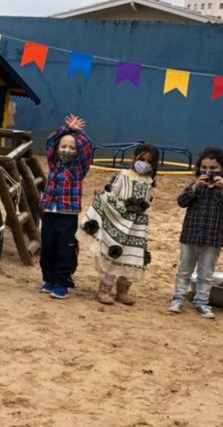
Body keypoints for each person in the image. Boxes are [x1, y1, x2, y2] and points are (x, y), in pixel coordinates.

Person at [79, 143, 160, 305]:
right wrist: (103, 194)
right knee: (115, 253)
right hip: (120, 221)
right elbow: (112, 193)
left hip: (138, 225)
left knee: (132, 255)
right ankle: (104, 289)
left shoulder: (150, 181)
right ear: (134, 158)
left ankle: (122, 291)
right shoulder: (123, 174)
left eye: (149, 162)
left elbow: (148, 201)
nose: (144, 163)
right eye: (141, 159)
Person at [169, 147, 223, 318]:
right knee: (184, 269)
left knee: (206, 272)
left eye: (213, 169)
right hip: (190, 236)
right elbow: (182, 202)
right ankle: (178, 298)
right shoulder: (195, 187)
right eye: (204, 168)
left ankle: (202, 302)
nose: (208, 172)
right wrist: (195, 186)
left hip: (213, 239)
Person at [39, 114, 93, 300]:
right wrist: (66, 130)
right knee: (47, 247)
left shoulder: (79, 168)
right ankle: (49, 279)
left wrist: (77, 133)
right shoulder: (53, 164)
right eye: (63, 147)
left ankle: (62, 282)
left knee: (65, 248)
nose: (67, 150)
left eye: (71, 148)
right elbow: (50, 141)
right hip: (50, 211)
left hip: (68, 214)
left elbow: (87, 148)